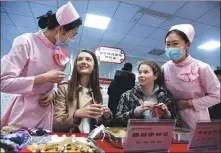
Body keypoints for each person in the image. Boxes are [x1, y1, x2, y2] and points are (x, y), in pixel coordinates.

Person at [1, 1, 82, 130]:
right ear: (61, 28)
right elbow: (3, 83)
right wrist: (43, 78)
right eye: (73, 34)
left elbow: (54, 83)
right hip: (23, 113)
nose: (72, 39)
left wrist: (53, 93)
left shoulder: (58, 52)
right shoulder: (26, 42)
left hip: (45, 114)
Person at [162, 24, 220, 130]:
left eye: (175, 44)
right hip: (172, 118)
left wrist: (189, 103)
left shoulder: (201, 67)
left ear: (187, 45)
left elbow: (217, 96)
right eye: (167, 44)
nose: (170, 48)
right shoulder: (164, 68)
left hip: (196, 120)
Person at [53, 50, 112, 133]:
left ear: (94, 66)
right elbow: (57, 124)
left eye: (88, 59)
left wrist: (106, 116)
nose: (83, 61)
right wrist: (76, 114)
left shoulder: (98, 91)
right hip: (71, 141)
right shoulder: (64, 88)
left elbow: (99, 124)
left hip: (92, 140)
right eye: (80, 59)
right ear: (76, 65)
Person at [114, 61, 178, 127]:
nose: (141, 75)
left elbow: (177, 123)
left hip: (159, 136)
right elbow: (117, 121)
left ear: (155, 76)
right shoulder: (127, 95)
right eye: (140, 72)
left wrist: (167, 115)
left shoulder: (166, 96)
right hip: (135, 136)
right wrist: (136, 111)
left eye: (146, 72)